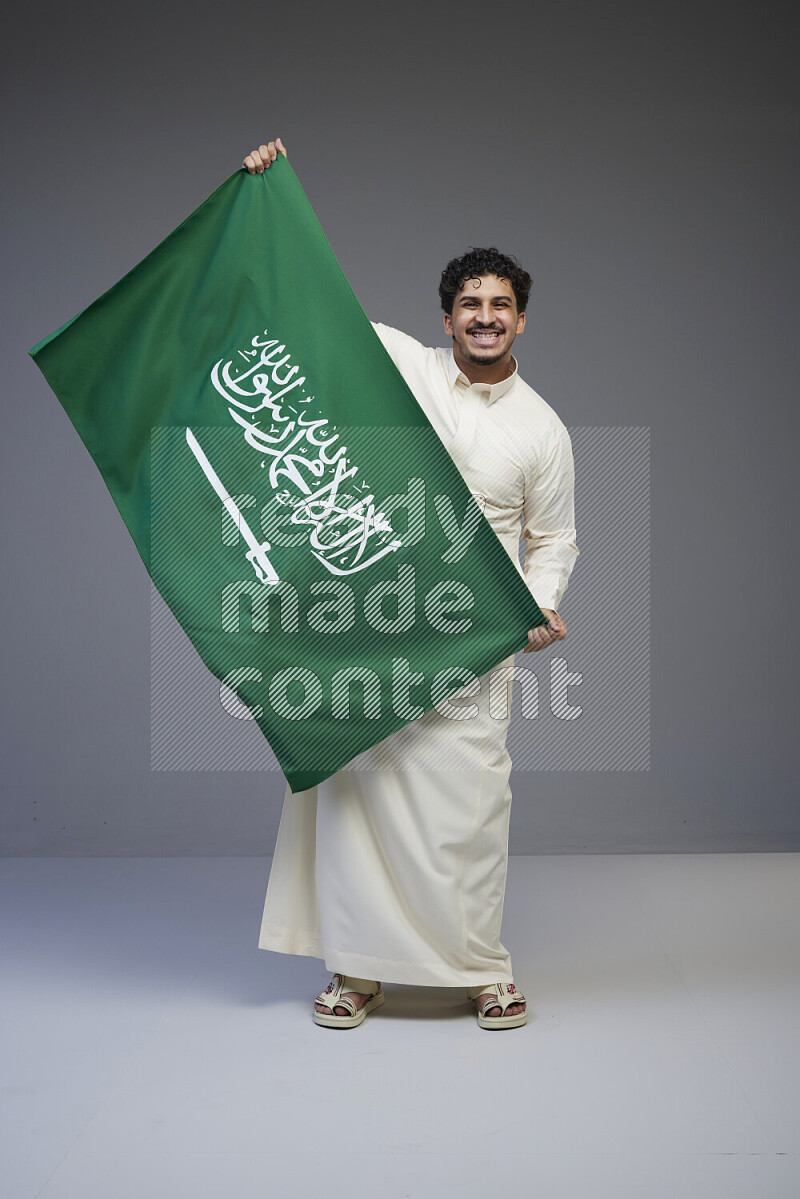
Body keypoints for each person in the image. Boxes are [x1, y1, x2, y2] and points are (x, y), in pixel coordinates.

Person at [243, 140, 578, 1029]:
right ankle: (357, 971)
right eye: (469, 303)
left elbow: (555, 535)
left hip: (475, 635)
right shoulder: (401, 369)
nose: (484, 317)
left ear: (520, 321)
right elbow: (320, 308)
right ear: (444, 318)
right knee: (359, 789)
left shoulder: (543, 431)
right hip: (373, 617)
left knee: (470, 803)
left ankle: (481, 968)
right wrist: (269, 197)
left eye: (500, 305)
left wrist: (541, 602)